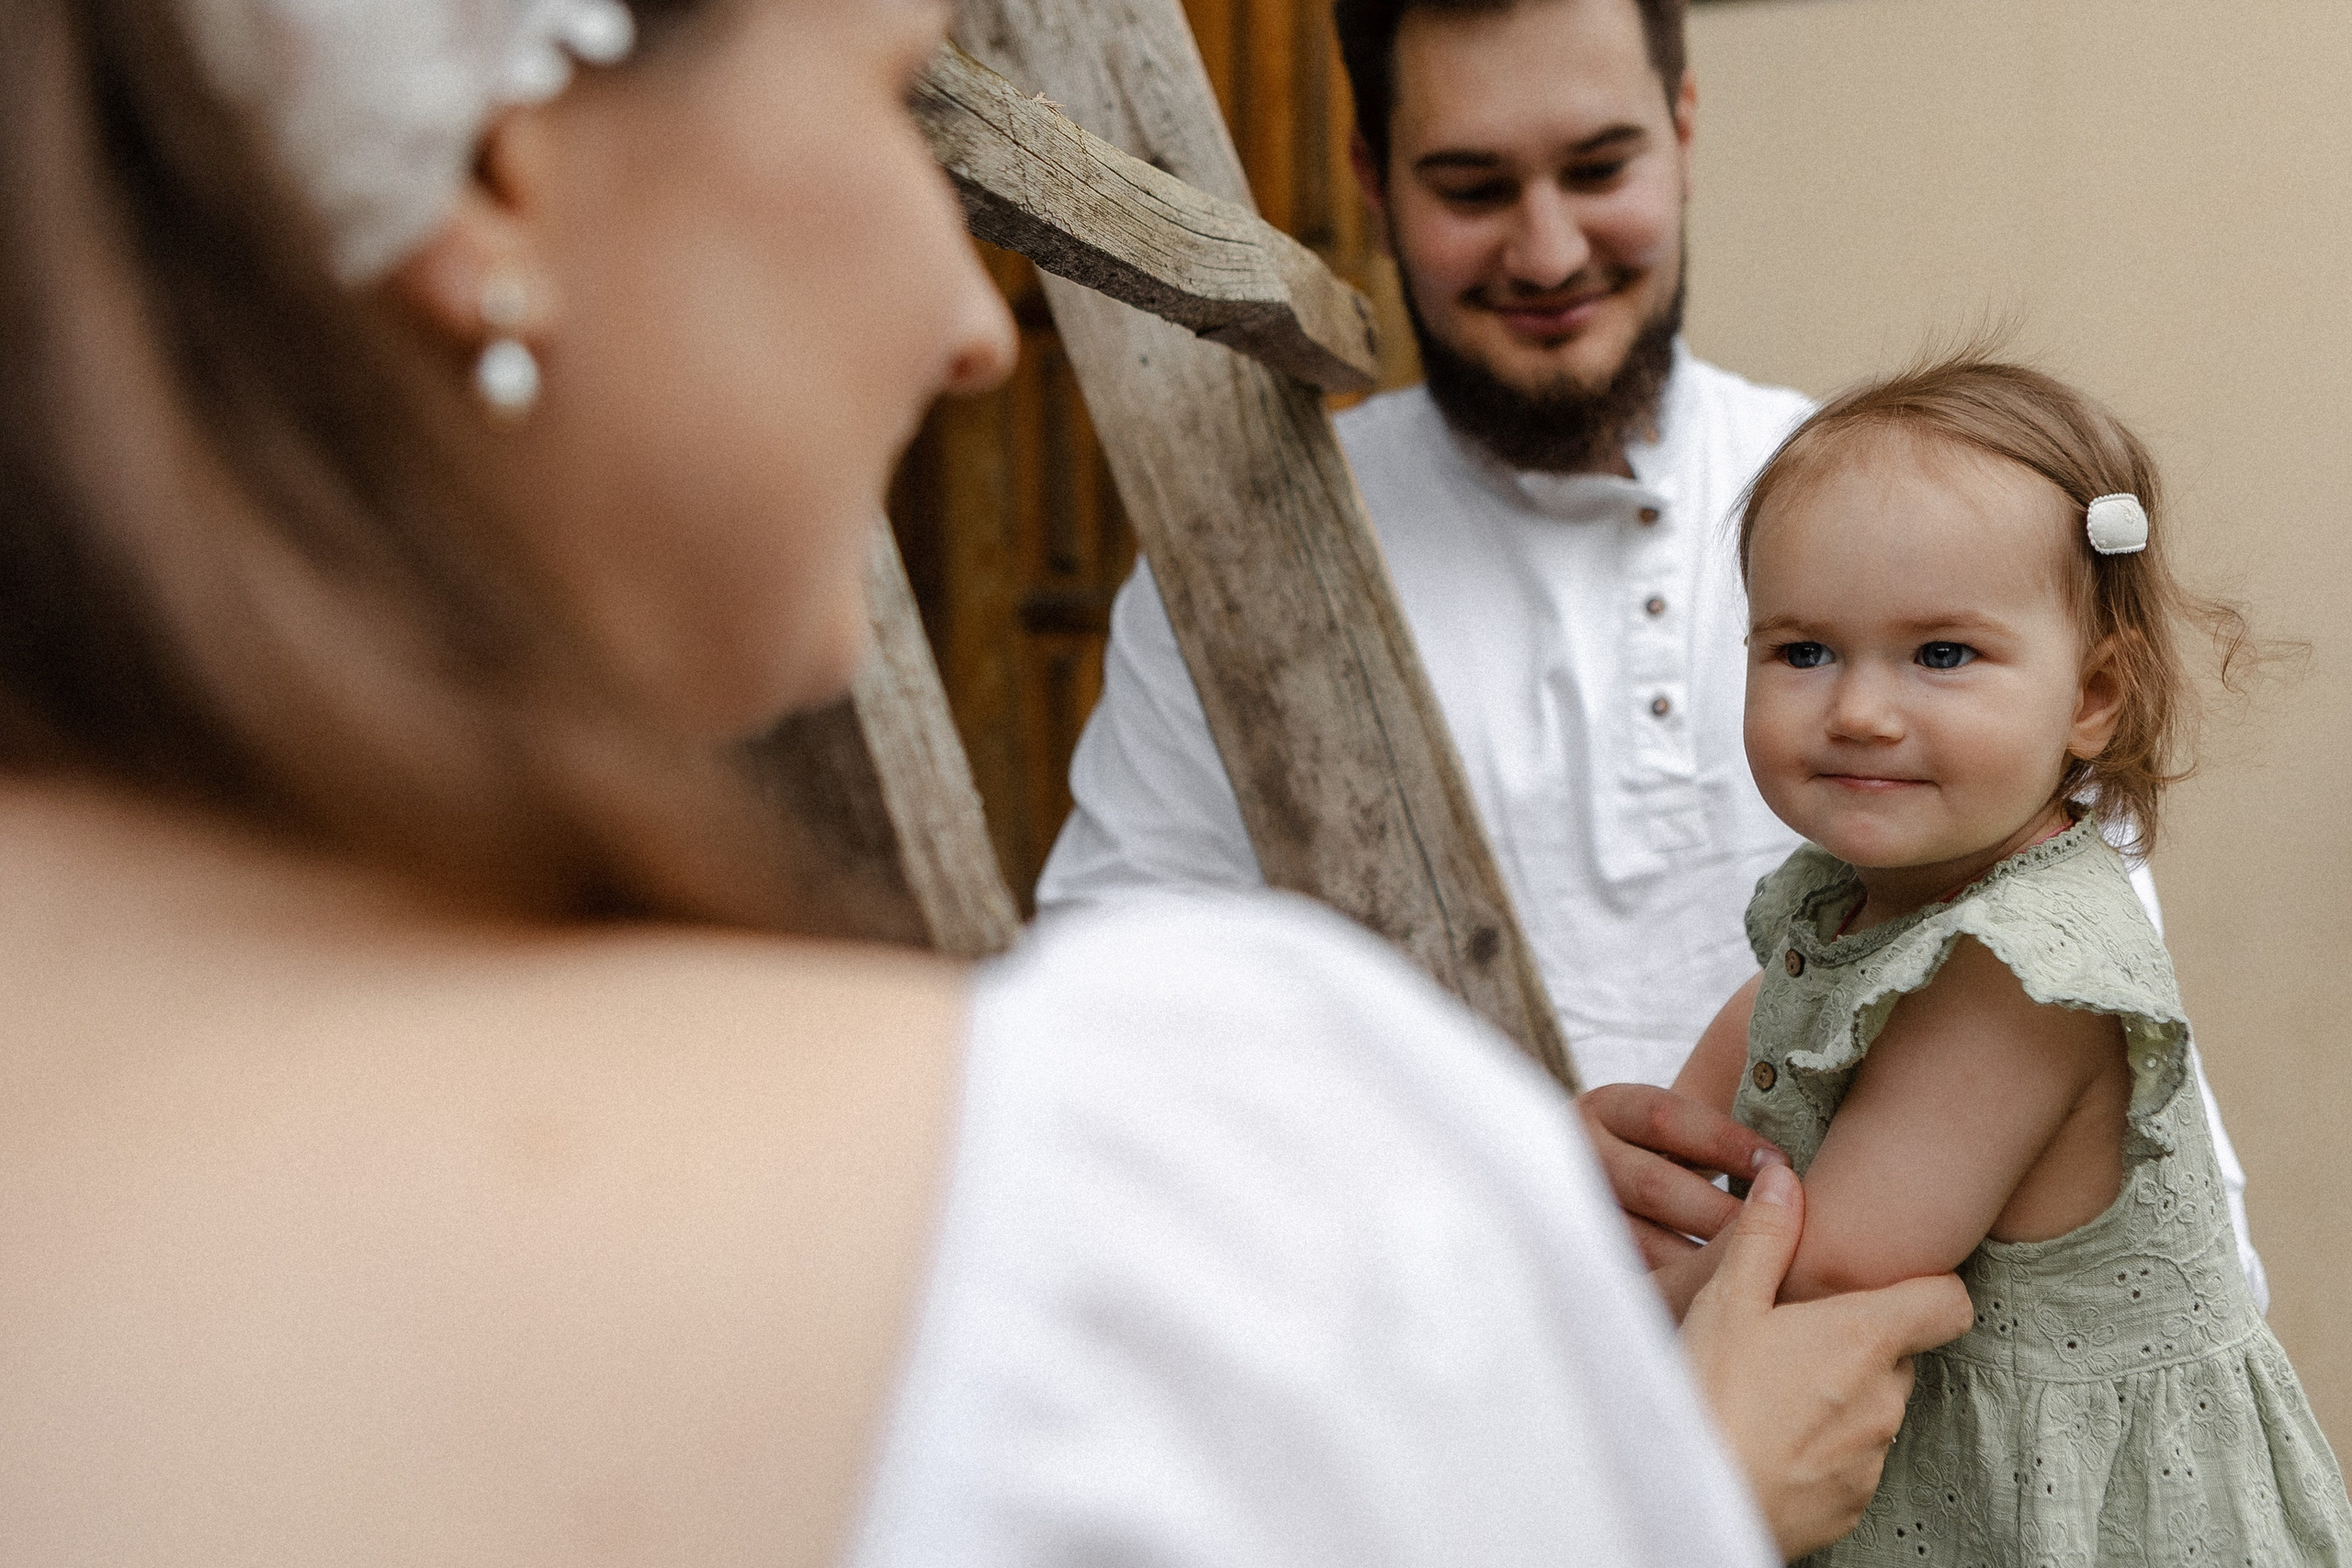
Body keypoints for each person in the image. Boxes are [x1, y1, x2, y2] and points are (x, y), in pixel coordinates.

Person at [0, 0, 1973, 1562]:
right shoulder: (1104, 1207)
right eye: (890, 101)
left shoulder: (1884, 494)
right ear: (502, 164)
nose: (971, 331)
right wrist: (1655, 1494)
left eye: (1596, 165)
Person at [1029, 0, 2269, 1307]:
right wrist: (1494, 1179)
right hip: (1444, 1371)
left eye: (1599, 168)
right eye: (1471, 186)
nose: (1547, 246)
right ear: (1371, 178)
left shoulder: (1913, 537)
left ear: (1683, 131)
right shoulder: (1244, 568)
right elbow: (1112, 1040)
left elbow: (2118, 1039)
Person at [1666, 355, 2352, 1563]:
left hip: (2071, 1506)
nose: (1860, 710)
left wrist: (1610, 1303)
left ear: (2090, 697)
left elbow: (1829, 1269)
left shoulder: (2023, 973)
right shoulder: (1849, 905)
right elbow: (1734, 1074)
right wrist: (1644, 1176)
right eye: (1804, 651)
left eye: (1940, 656)